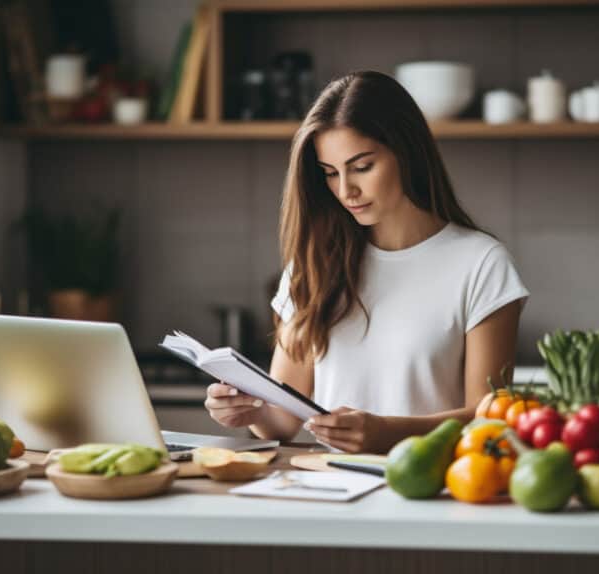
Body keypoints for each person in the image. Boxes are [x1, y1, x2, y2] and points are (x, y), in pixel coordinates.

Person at [204, 70, 529, 454]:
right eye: (330, 173)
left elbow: (490, 418)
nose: (345, 190)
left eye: (361, 167)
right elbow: (283, 420)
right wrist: (248, 411)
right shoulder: (314, 263)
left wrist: (387, 432)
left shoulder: (482, 264)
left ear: (406, 153)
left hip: (433, 495)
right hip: (330, 492)